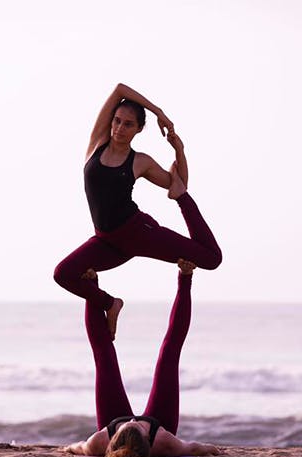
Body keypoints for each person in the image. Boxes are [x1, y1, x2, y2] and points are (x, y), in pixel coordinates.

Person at [53, 83, 222, 337]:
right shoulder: (97, 143)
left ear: (139, 129)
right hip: (106, 241)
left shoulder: (140, 162)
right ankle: (111, 304)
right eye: (118, 121)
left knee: (211, 259)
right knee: (64, 273)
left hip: (139, 234)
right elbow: (120, 89)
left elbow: (179, 183)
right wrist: (158, 112)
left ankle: (186, 205)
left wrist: (179, 151)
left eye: (128, 124)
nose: (120, 128)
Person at [64, 260, 221, 457]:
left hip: (112, 421)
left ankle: (91, 283)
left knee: (104, 358)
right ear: (148, 438)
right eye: (136, 425)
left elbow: (77, 447)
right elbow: (194, 447)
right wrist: (213, 449)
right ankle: (186, 275)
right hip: (160, 422)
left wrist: (69, 448)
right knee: (170, 353)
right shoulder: (165, 442)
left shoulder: (99, 441)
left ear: (112, 440)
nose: (132, 420)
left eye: (128, 424)